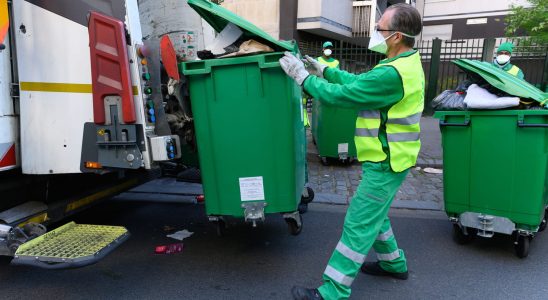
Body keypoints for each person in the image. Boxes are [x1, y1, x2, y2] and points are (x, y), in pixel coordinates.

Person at [279, 3, 424, 300]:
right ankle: (394, 263)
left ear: (396, 36)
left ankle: (333, 290)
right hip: (390, 158)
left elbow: (346, 96)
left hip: (386, 161)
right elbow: (359, 83)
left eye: (380, 28)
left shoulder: (391, 74)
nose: (375, 33)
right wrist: (327, 72)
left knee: (359, 222)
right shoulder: (402, 64)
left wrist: (304, 79)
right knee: (376, 215)